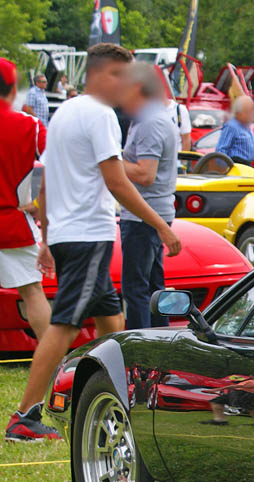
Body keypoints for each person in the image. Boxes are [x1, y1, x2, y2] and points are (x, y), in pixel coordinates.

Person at [6, 44, 182, 443]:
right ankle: (24, 417)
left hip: (70, 236)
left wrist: (49, 239)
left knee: (111, 321)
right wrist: (161, 226)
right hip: (89, 236)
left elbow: (46, 181)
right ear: (107, 74)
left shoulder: (65, 111)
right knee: (64, 324)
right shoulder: (101, 115)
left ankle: (121, 400)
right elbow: (117, 180)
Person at [119, 63, 179, 330]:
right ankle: (160, 341)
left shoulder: (149, 123)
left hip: (143, 215)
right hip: (153, 212)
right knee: (154, 288)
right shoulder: (150, 119)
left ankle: (139, 349)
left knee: (137, 289)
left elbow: (145, 174)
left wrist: (109, 161)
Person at [0, 59, 52, 363]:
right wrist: (34, 203)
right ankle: (49, 356)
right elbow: (55, 165)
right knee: (32, 292)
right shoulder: (29, 125)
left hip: (13, 219)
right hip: (12, 219)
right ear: (12, 89)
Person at [215, 95, 254, 165]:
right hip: (237, 166)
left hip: (247, 166)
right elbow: (221, 150)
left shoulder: (246, 126)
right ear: (238, 113)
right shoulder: (231, 126)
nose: (251, 113)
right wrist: (226, 170)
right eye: (247, 111)